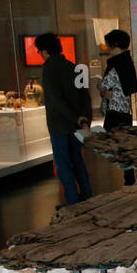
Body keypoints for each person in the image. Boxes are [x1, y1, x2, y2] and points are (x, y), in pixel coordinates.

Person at [35, 32, 92, 206]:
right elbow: (85, 96)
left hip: (59, 124)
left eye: (39, 50)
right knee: (77, 161)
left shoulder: (49, 68)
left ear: (44, 51)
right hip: (75, 125)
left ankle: (73, 201)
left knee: (63, 164)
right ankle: (87, 196)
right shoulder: (71, 66)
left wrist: (75, 117)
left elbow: (55, 100)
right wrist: (83, 119)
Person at [98, 29, 137, 185]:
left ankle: (130, 180)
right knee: (123, 146)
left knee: (120, 147)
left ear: (114, 44)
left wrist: (102, 90)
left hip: (116, 111)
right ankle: (130, 179)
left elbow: (104, 86)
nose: (107, 48)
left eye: (108, 45)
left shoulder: (116, 65)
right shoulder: (127, 61)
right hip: (124, 109)